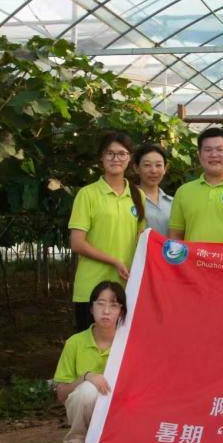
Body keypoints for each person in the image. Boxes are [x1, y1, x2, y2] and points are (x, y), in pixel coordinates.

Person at [68, 131, 145, 331]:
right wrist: (114, 261)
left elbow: (140, 240)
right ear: (101, 157)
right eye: (110, 153)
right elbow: (77, 243)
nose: (115, 158)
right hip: (91, 288)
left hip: (125, 288)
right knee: (91, 346)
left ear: (129, 158)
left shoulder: (138, 196)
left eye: (122, 153)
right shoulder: (87, 194)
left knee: (119, 347)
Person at [53, 281, 126, 443]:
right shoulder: (75, 343)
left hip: (121, 412)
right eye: (100, 304)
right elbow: (61, 394)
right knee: (87, 390)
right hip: (89, 409)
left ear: (121, 311)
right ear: (91, 308)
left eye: (113, 305)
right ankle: (78, 438)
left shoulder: (129, 343)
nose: (106, 311)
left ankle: (114, 438)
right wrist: (86, 377)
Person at [168, 127, 223, 243]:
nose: (214, 154)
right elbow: (175, 235)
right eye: (208, 150)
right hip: (193, 256)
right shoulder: (183, 192)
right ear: (199, 155)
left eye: (220, 149)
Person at [133, 142, 174, 236]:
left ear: (165, 168)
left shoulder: (173, 203)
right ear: (136, 168)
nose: (153, 170)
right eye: (147, 165)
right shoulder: (128, 199)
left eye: (158, 165)